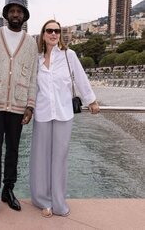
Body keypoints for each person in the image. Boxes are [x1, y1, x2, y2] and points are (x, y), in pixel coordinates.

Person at [30, 19, 100, 218]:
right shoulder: (36, 60)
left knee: (60, 158)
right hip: (42, 113)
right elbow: (31, 87)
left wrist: (91, 100)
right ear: (43, 34)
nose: (53, 34)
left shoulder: (69, 56)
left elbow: (80, 78)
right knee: (41, 159)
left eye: (57, 31)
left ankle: (59, 202)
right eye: (50, 30)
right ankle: (43, 201)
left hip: (63, 113)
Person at [0, 0, 38, 223]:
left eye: (19, 11)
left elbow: (33, 76)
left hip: (18, 105)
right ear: (6, 14)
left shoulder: (31, 43)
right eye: (12, 11)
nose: (16, 14)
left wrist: (30, 106)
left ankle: (8, 190)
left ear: (24, 16)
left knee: (13, 150)